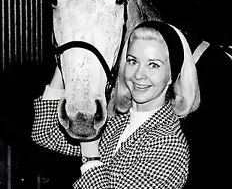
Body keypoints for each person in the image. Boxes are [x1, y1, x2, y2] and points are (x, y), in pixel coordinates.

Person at [31, 20, 200, 189]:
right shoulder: (117, 124)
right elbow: (46, 134)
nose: (139, 75)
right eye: (132, 61)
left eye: (153, 65)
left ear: (172, 75)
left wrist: (90, 156)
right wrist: (68, 61)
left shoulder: (168, 145)